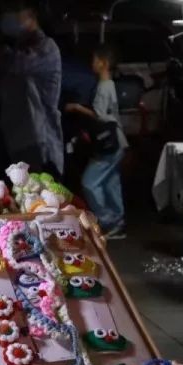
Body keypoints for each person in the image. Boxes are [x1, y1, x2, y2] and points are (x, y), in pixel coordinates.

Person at [0, 0, 64, 181]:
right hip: (8, 145)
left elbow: (15, 63)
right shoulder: (14, 48)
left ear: (32, 14)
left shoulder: (46, 48)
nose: (8, 15)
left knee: (38, 204)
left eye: (14, 10)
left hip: (36, 147)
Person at [65, 45, 127, 238]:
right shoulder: (108, 84)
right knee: (110, 183)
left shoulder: (104, 85)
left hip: (108, 142)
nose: (92, 63)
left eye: (95, 60)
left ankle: (108, 220)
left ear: (104, 63)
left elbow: (99, 115)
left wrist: (76, 107)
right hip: (117, 141)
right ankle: (117, 222)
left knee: (90, 182)